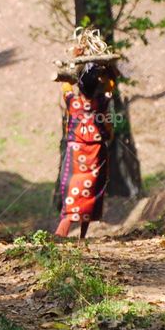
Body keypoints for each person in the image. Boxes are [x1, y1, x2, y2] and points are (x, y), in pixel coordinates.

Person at [55, 62, 115, 240]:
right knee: (90, 193)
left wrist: (70, 67)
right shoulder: (101, 102)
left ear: (79, 87)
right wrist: (108, 74)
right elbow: (110, 86)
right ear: (96, 87)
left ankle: (60, 234)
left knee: (73, 191)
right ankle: (82, 236)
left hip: (76, 153)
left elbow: (65, 85)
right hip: (96, 153)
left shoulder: (72, 102)